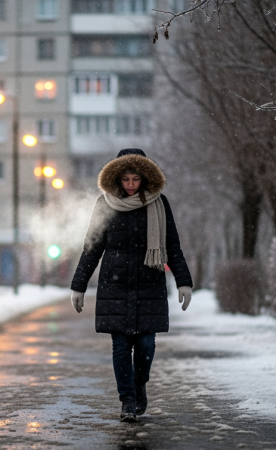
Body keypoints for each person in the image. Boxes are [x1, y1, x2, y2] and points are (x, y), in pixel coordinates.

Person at [70, 148, 193, 423]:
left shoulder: (159, 204)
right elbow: (92, 248)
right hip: (116, 285)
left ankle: (139, 385)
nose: (130, 185)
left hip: (149, 283)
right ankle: (127, 400)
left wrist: (184, 282)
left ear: (145, 178)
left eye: (135, 179)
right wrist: (78, 286)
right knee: (121, 346)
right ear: (116, 178)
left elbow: (172, 246)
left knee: (147, 345)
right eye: (125, 179)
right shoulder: (105, 204)